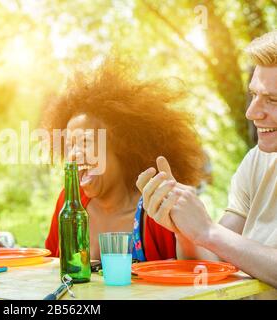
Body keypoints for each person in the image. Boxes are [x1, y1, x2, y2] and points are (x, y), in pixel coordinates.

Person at [136, 30, 277, 288]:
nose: (251, 112)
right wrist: (186, 231)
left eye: (272, 100)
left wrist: (208, 231)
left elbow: (215, 236)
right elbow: (215, 260)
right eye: (254, 95)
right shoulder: (256, 162)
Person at [43, 59, 206, 261]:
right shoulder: (69, 202)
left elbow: (194, 276)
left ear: (121, 145)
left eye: (85, 141)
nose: (75, 154)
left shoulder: (155, 207)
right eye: (69, 145)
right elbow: (49, 268)